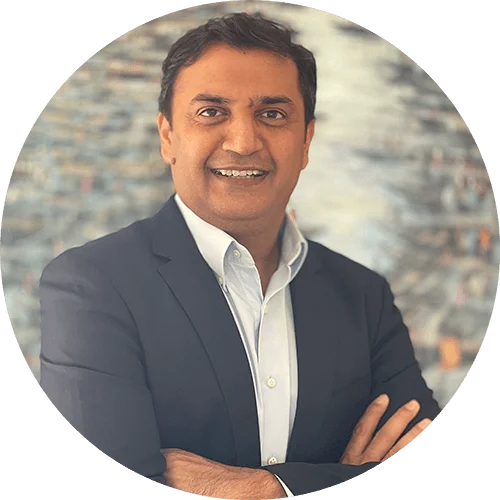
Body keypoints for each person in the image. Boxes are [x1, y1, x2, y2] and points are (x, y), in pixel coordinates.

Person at [39, 12, 441, 498]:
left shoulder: (363, 296)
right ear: (167, 136)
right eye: (211, 112)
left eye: (272, 114)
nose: (244, 142)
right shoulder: (91, 285)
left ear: (306, 140)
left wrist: (266, 488)